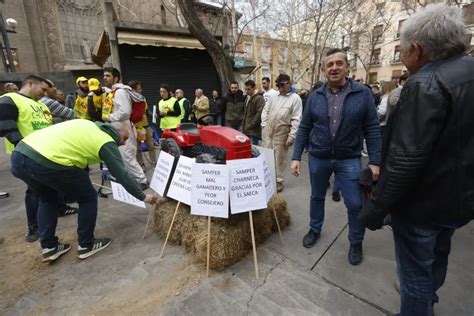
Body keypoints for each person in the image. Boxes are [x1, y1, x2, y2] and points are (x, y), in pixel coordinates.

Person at [359, 5, 473, 316]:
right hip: (456, 202)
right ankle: (427, 302)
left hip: (422, 206)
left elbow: (406, 161)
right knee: (437, 256)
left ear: (417, 49)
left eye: (404, 49)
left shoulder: (425, 84)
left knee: (413, 276)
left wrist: (376, 208)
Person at [10, 120, 157, 262]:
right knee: (88, 198)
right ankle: (86, 244)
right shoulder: (105, 141)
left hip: (19, 156)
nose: (124, 142)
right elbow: (122, 174)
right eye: (125, 138)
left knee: (47, 199)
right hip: (46, 160)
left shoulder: (90, 126)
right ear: (115, 131)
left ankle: (49, 247)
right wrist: (142, 196)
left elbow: (76, 153)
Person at [291, 48, 381, 265]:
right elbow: (304, 128)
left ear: (347, 67)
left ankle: (356, 241)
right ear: (324, 70)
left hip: (349, 159)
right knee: (317, 196)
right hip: (318, 158)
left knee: (355, 203)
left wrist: (376, 161)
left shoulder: (362, 94)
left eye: (338, 63)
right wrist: (296, 156)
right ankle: (315, 229)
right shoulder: (315, 96)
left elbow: (372, 128)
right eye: (329, 64)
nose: (334, 68)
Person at [0, 75, 53, 242]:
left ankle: (54, 214)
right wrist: (23, 147)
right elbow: (6, 126)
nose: (44, 93)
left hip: (47, 153)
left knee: (47, 188)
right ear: (30, 83)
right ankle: (34, 227)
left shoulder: (41, 104)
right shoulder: (10, 99)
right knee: (34, 191)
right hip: (27, 155)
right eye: (42, 89)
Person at [103, 67, 148, 188]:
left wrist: (109, 117)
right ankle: (130, 178)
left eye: (108, 75)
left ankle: (142, 180)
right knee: (122, 155)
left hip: (124, 126)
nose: (104, 78)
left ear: (116, 78)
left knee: (127, 155)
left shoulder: (120, 92)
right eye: (104, 75)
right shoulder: (113, 92)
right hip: (118, 127)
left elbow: (125, 112)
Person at [262, 74, 302, 193]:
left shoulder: (296, 99)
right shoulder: (274, 96)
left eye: (282, 85)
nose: (280, 88)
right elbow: (265, 110)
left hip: (282, 132)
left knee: (280, 158)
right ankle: (266, 179)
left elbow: (296, 118)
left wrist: (292, 135)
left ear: (289, 83)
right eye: (278, 85)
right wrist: (264, 125)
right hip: (268, 131)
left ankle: (278, 181)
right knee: (266, 155)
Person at [129, 80, 157, 168]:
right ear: (133, 90)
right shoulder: (128, 99)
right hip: (134, 127)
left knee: (151, 145)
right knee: (138, 148)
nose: (141, 90)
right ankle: (141, 165)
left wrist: (152, 114)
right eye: (139, 89)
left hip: (146, 125)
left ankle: (154, 164)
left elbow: (147, 110)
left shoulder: (142, 98)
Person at [242, 80, 265, 145]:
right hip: (246, 129)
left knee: (254, 150)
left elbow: (259, 113)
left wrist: (251, 124)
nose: (246, 91)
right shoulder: (247, 97)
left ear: (254, 88)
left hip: (254, 130)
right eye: (245, 89)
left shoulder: (259, 98)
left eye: (248, 89)